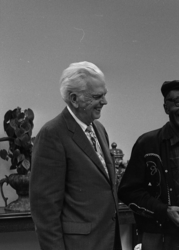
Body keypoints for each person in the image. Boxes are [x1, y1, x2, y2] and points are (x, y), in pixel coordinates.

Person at [30, 61, 121, 250]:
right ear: (74, 98)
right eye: (97, 96)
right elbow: (45, 211)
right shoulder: (52, 134)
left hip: (107, 241)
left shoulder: (99, 129)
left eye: (104, 95)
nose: (105, 102)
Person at [118, 80, 179, 250]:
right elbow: (128, 192)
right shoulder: (147, 143)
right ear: (166, 108)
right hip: (158, 238)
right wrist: (165, 211)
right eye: (178, 102)